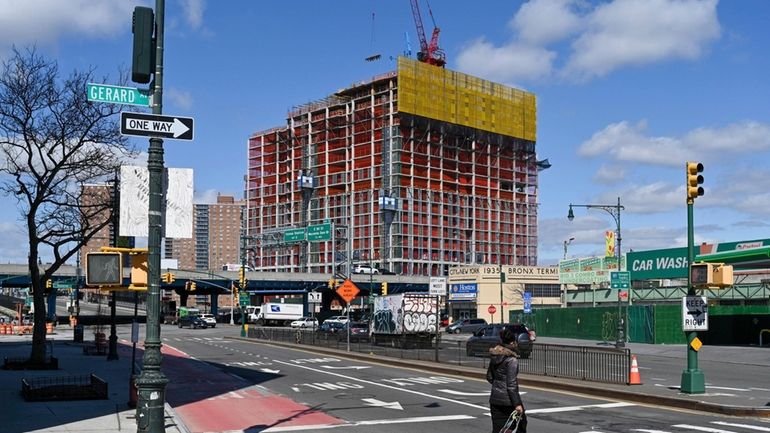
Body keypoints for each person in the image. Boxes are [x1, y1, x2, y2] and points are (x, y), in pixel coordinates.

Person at [487, 325, 527, 433]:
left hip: (495, 399)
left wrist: (498, 385)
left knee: (498, 429)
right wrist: (517, 404)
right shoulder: (511, 360)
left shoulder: (495, 355)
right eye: (515, 342)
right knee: (521, 426)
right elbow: (511, 385)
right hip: (508, 402)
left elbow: (489, 377)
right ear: (512, 343)